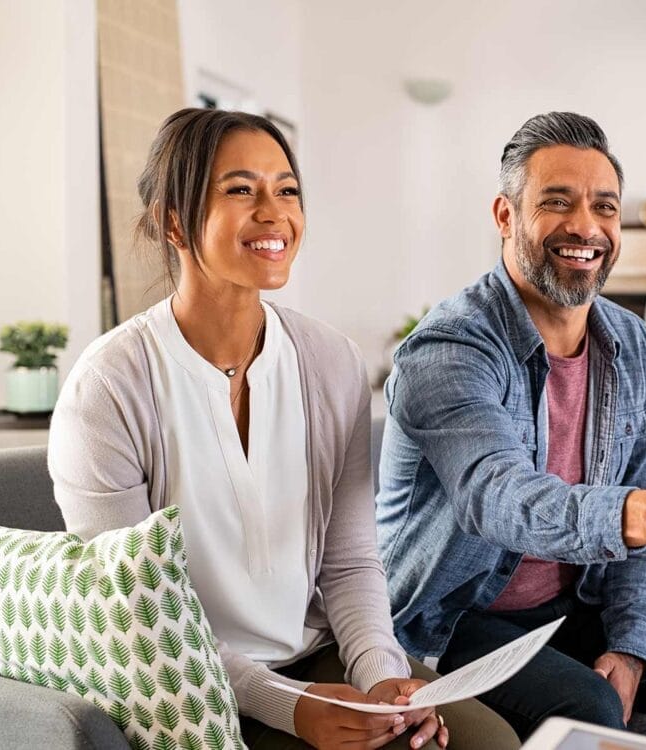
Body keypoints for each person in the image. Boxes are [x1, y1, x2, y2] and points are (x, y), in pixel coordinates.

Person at [48, 108, 518, 750]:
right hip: (184, 689)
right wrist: (289, 707)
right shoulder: (108, 385)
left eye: (287, 190)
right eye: (241, 190)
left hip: (316, 657)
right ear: (174, 222)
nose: (275, 212)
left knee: (484, 745)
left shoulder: (331, 361)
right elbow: (139, 618)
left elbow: (351, 563)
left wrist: (382, 676)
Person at [375, 112, 646, 750]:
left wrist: (631, 644)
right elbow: (498, 498)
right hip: (457, 617)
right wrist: (645, 514)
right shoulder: (449, 350)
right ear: (506, 216)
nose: (585, 228)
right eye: (556, 203)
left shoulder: (632, 345)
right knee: (585, 704)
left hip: (577, 601)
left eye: (604, 207)